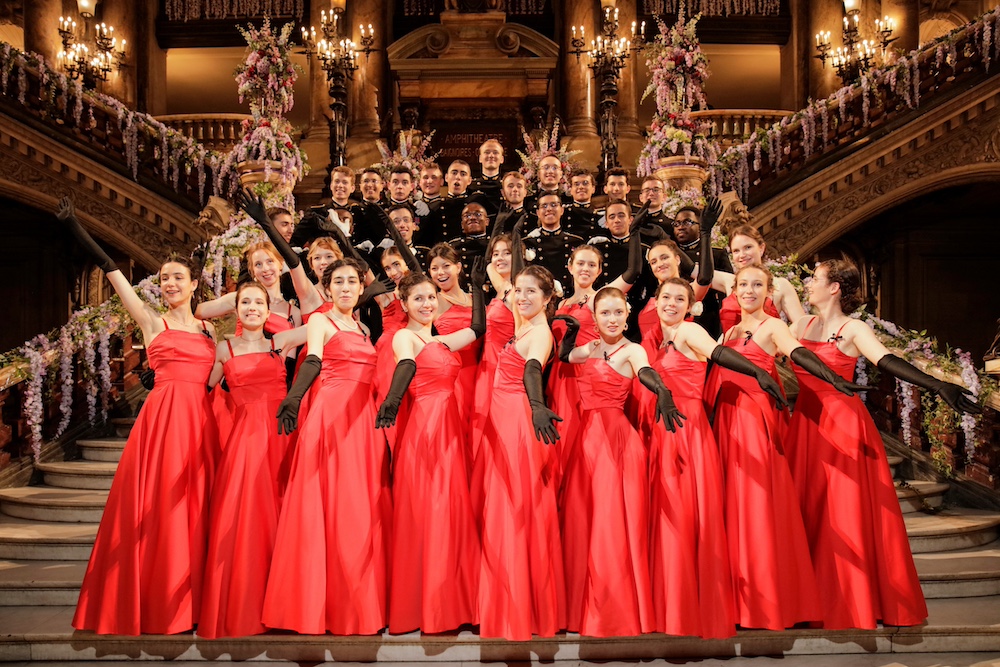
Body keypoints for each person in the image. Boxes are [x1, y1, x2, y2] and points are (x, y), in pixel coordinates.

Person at [785, 259, 978, 629]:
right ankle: (808, 601)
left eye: (816, 279)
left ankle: (848, 602)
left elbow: (887, 360)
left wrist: (938, 385)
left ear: (836, 287)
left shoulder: (854, 328)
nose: (809, 284)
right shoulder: (800, 324)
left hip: (841, 426)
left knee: (843, 513)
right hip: (804, 425)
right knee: (806, 509)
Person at [59, 196, 219, 636]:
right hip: (165, 423)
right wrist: (77, 225)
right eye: (164, 277)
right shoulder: (153, 321)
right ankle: (158, 605)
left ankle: (196, 604)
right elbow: (113, 272)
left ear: (193, 285)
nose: (168, 283)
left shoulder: (208, 327)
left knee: (198, 509)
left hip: (203, 423)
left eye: (177, 278)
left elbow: (258, 301)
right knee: (162, 510)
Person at [707, 262, 866, 631]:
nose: (748, 291)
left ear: (768, 292)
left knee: (756, 508)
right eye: (743, 284)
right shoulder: (728, 330)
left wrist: (831, 377)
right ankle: (735, 601)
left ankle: (764, 605)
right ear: (733, 291)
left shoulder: (774, 325)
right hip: (725, 422)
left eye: (756, 285)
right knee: (731, 508)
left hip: (754, 422)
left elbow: (798, 353)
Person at [641, 277, 786, 639]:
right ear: (655, 302)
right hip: (665, 435)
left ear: (691, 307)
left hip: (688, 435)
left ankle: (694, 611)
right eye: (666, 297)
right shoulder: (662, 339)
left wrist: (755, 371)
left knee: (690, 519)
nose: (671, 304)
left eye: (679, 299)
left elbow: (718, 353)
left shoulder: (690, 332)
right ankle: (675, 607)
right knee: (673, 522)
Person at [261, 258, 391, 635]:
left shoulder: (364, 327)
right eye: (339, 282)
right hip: (332, 417)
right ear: (328, 288)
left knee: (357, 511)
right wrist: (295, 395)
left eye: (353, 281)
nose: (347, 287)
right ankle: (317, 607)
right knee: (329, 506)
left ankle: (356, 606)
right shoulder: (321, 320)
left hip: (363, 423)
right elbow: (314, 357)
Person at [554, 287, 683, 638]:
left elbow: (644, 372)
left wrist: (663, 391)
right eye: (605, 313)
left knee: (612, 525)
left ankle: (615, 612)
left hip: (617, 443)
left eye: (617, 313)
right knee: (587, 522)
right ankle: (585, 609)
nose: (612, 319)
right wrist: (572, 334)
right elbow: (566, 359)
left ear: (627, 315)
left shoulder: (633, 350)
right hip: (586, 443)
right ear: (594, 318)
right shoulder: (591, 348)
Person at [376, 265, 486, 634]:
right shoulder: (403, 337)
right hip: (425, 430)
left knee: (451, 511)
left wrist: (474, 284)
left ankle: (455, 604)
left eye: (430, 297)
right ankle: (426, 607)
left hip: (450, 430)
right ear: (404, 304)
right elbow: (405, 365)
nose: (426, 303)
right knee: (429, 510)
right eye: (418, 298)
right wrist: (392, 398)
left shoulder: (441, 340)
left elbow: (479, 329)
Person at [198, 282, 307, 639]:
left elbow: (326, 321)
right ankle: (247, 606)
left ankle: (287, 605)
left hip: (282, 437)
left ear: (267, 309)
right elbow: (205, 392)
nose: (252, 308)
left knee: (284, 516)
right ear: (235, 308)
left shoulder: (282, 342)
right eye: (245, 302)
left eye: (258, 302)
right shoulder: (223, 348)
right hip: (244, 444)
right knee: (247, 520)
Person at [474, 265, 565, 641]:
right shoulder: (522, 325)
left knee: (515, 508)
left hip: (517, 423)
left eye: (532, 292)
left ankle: (516, 611)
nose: (523, 296)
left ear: (547, 299)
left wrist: (537, 404)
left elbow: (531, 369)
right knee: (504, 506)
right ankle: (505, 604)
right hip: (503, 420)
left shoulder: (540, 334)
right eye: (519, 290)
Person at [427, 243, 482, 428]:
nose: (440, 272)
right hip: (456, 375)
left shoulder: (474, 298)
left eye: (445, 266)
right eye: (434, 268)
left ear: (458, 267)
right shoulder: (434, 301)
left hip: (481, 371)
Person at [722, 224, 807, 332]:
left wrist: (781, 338)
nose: (742, 255)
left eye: (748, 247)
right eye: (736, 251)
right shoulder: (727, 280)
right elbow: (696, 272)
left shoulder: (781, 285)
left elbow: (803, 327)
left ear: (761, 248)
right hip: (728, 345)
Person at [672, 203, 735, 340]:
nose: (681, 227)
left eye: (687, 222)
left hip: (709, 319)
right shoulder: (670, 256)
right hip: (676, 318)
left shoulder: (716, 254)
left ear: (700, 225)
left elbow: (728, 290)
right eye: (676, 224)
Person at [523, 191, 585, 291]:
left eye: (553, 205)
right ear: (538, 213)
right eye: (544, 206)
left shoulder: (576, 242)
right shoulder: (527, 243)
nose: (549, 209)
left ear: (562, 210)